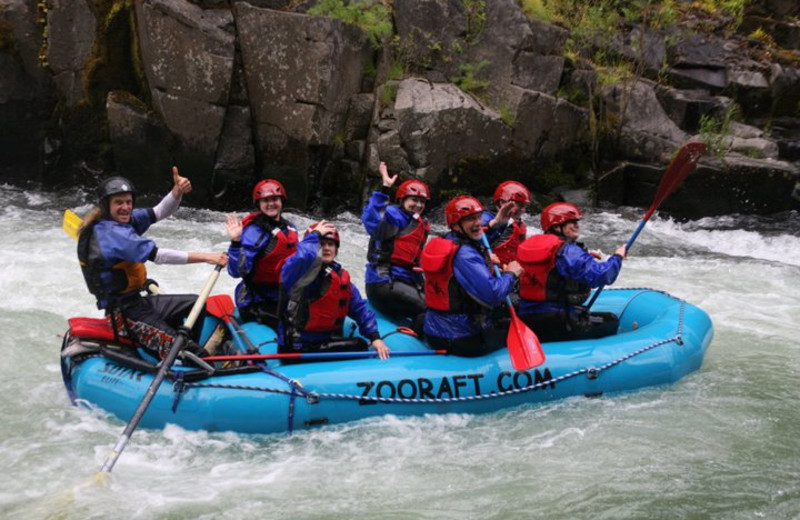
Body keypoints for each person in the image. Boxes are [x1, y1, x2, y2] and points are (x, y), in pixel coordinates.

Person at [77, 168, 228, 359]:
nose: (125, 207)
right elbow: (159, 255)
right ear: (106, 206)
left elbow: (159, 212)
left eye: (129, 202)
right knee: (193, 353)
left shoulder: (121, 221)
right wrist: (207, 257)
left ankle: (185, 352)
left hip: (138, 302)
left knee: (195, 303)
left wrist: (177, 192)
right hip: (125, 316)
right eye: (119, 203)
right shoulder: (111, 235)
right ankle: (191, 356)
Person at [420, 195, 523, 357]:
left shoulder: (447, 240)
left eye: (478, 217)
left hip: (434, 331)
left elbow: (478, 239)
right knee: (515, 323)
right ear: (456, 224)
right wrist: (511, 274)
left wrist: (497, 224)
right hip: (461, 336)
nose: (478, 223)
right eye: (470, 219)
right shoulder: (464, 254)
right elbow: (492, 295)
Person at [277, 220, 390, 360]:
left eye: (330, 244)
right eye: (321, 243)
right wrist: (314, 235)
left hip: (325, 342)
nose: (326, 248)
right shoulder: (299, 273)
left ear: (336, 250)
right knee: (359, 346)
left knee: (360, 344)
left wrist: (374, 337)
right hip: (296, 345)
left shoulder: (339, 275)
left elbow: (359, 308)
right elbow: (301, 257)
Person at [515, 202, 627, 342]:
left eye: (576, 221)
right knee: (611, 321)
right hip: (559, 321)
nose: (577, 225)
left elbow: (552, 270)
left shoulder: (529, 245)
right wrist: (618, 257)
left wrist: (585, 257)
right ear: (556, 226)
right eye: (571, 222)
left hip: (526, 319)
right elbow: (602, 275)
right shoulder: (567, 251)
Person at [361, 161, 430, 324]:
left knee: (441, 305)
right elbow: (371, 218)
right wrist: (385, 188)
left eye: (422, 201)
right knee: (429, 308)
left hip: (405, 281)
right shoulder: (392, 216)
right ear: (402, 199)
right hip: (384, 282)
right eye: (414, 200)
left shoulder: (421, 224)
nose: (418, 205)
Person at [226, 179, 298, 329]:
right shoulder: (253, 232)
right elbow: (236, 272)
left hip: (283, 296)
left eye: (274, 199)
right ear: (258, 204)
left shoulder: (290, 228)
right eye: (265, 200)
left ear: (281, 201)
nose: (271, 204)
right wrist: (236, 242)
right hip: (258, 299)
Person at [482, 181, 531, 267]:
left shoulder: (519, 224)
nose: (523, 210)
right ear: (502, 203)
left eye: (525, 206)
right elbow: (472, 242)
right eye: (520, 205)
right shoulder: (485, 219)